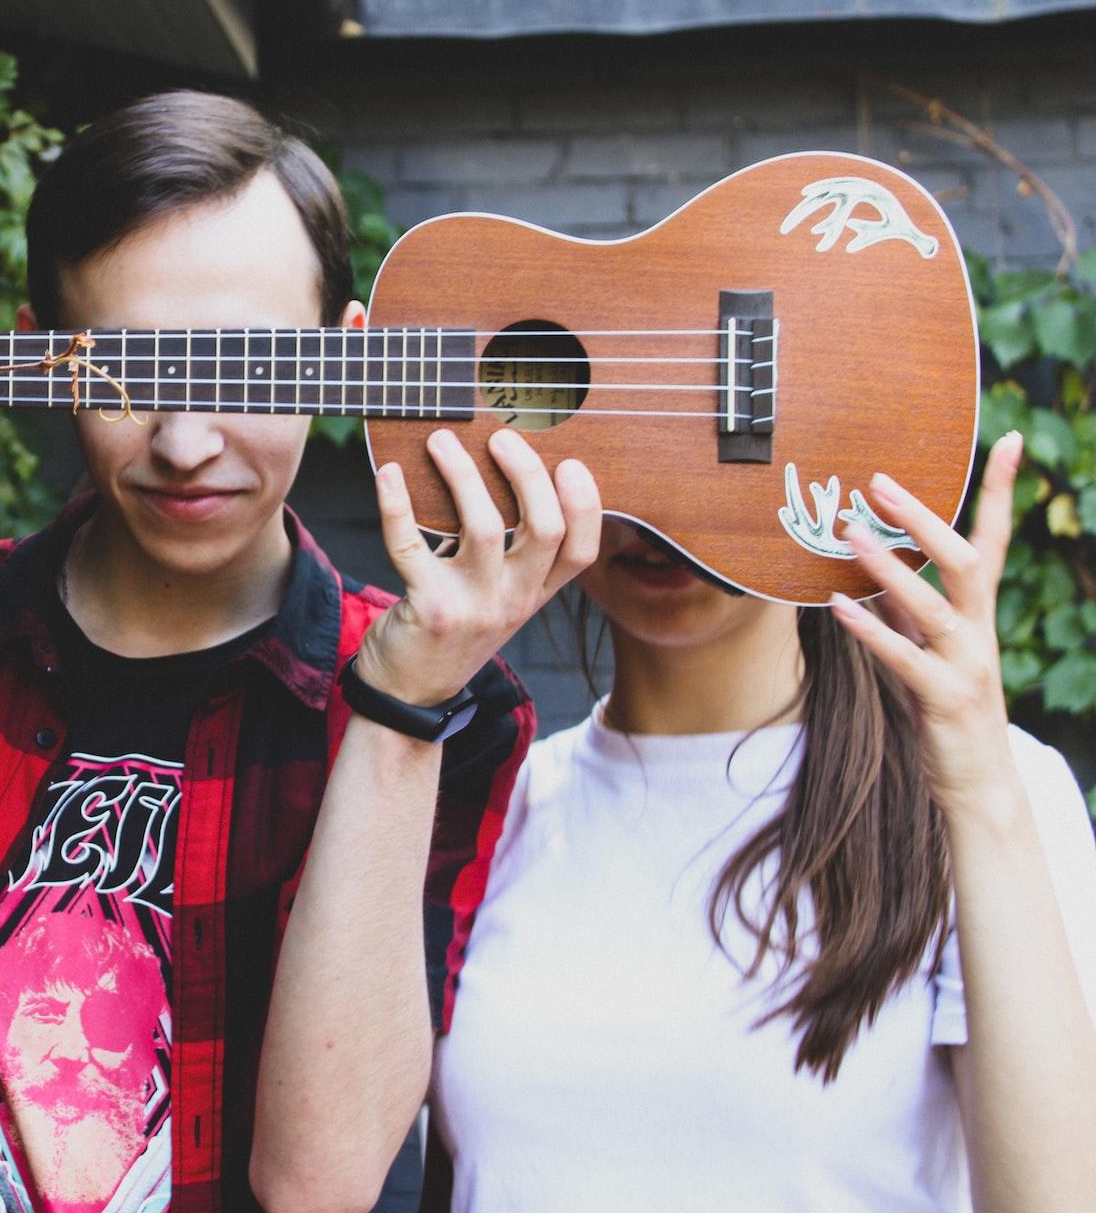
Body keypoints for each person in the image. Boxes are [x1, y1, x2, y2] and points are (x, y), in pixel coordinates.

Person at [0, 88, 602, 1213]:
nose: (186, 442)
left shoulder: (462, 708)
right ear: (38, 355)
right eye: (122, 369)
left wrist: (404, 703)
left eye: (253, 368)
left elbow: (326, 1180)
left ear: (346, 362)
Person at [257, 430, 1096, 1212]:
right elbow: (313, 1178)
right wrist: (403, 692)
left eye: (720, 435)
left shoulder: (985, 789)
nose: (666, 496)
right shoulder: (500, 808)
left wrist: (983, 793)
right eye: (625, 439)